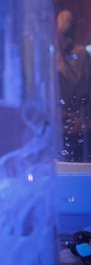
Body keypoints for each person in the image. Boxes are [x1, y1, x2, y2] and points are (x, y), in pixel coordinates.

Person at [55, 9, 91, 162]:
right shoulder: (57, 58)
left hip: (83, 125)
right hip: (65, 127)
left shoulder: (81, 55)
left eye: (66, 31)